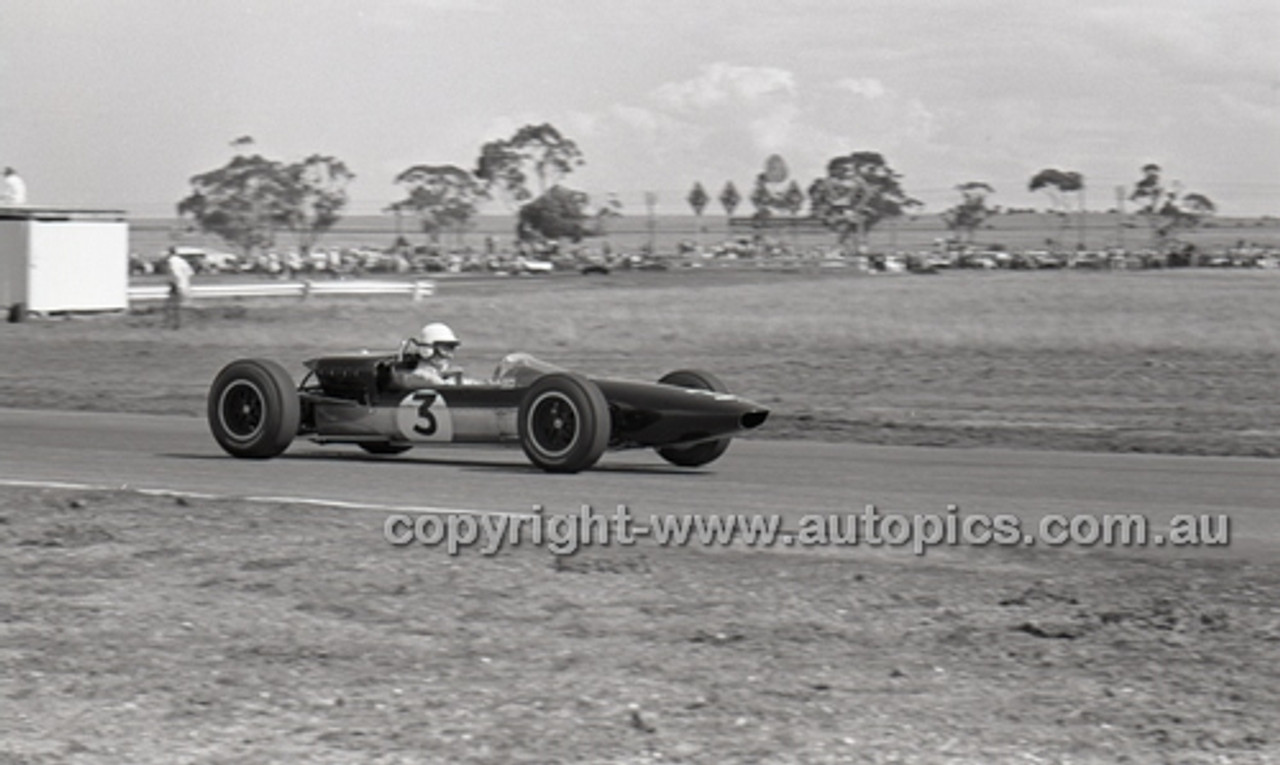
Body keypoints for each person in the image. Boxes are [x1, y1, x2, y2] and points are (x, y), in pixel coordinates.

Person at [390, 322, 464, 388]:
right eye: (444, 349)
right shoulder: (422, 377)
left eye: (451, 349)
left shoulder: (441, 376)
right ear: (428, 350)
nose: (450, 356)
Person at [164, 248, 194, 329]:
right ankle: (183, 324)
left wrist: (173, 283)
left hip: (176, 285)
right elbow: (190, 272)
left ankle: (174, 324)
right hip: (185, 284)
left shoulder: (171, 261)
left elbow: (174, 273)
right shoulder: (182, 260)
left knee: (172, 306)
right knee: (183, 305)